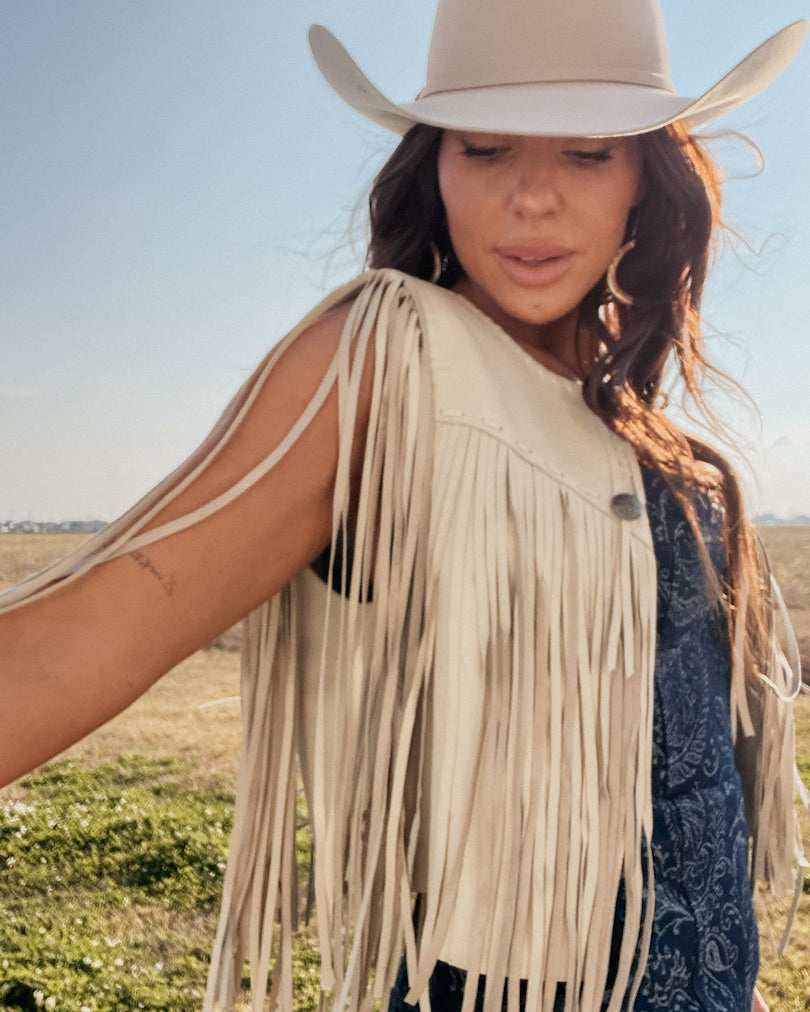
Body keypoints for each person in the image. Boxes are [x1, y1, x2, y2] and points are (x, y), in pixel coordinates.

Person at [0, 1, 807, 1010]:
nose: (531, 199)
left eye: (589, 153)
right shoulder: (388, 366)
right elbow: (91, 630)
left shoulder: (647, 430)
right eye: (486, 147)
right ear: (436, 163)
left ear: (651, 173)